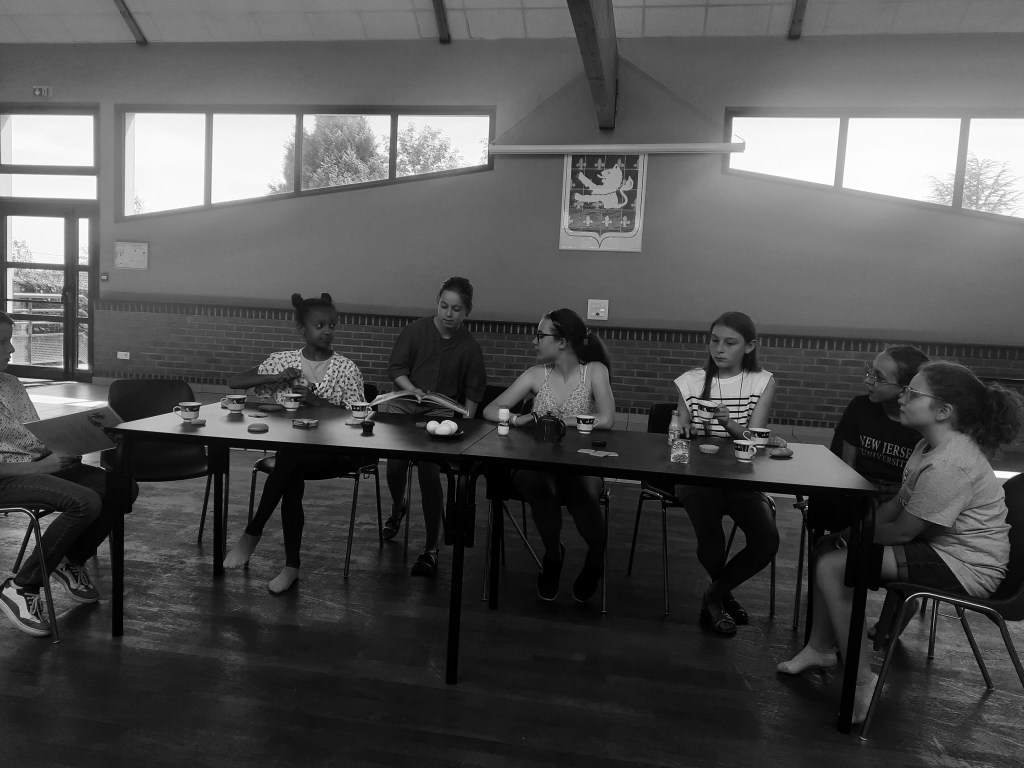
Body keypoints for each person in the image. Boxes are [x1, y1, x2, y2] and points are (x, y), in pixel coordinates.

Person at [777, 361, 1023, 723]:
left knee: (833, 564)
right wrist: (848, 536)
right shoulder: (928, 445)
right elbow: (897, 504)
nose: (902, 398)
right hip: (941, 549)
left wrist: (854, 540)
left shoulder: (950, 463)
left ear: (943, 411)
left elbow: (904, 531)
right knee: (829, 548)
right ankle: (820, 648)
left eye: (912, 393)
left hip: (966, 567)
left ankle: (862, 682)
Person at [223, 293, 366, 594]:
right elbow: (234, 382)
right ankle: (290, 566)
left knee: (289, 461)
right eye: (319, 325)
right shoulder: (283, 361)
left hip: (336, 454)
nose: (327, 331)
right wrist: (277, 376)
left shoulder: (347, 368)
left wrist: (313, 400)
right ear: (302, 329)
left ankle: (254, 533)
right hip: (295, 454)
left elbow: (356, 418)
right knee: (292, 463)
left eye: (332, 325)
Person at [0, 311, 129, 636]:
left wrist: (73, 441)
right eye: (2, 342)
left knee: (122, 487)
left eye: (10, 340)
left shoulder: (11, 383)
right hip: (9, 477)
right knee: (84, 501)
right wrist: (39, 467)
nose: (11, 349)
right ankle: (22, 586)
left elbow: (31, 436)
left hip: (37, 463)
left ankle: (69, 560)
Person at [483, 308, 615, 602]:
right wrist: (517, 419)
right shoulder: (535, 375)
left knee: (583, 491)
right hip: (538, 461)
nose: (535, 342)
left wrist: (558, 421)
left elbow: (606, 419)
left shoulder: (594, 371)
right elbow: (490, 409)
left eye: (540, 335)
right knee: (540, 486)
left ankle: (596, 559)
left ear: (563, 342)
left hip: (580, 461)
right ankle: (553, 556)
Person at [673, 311, 779, 635]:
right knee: (712, 540)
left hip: (741, 473)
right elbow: (678, 431)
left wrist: (728, 422)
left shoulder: (762, 381)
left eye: (730, 343)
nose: (719, 349)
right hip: (696, 473)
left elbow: (756, 441)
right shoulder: (691, 381)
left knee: (766, 539)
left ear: (750, 346)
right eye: (714, 340)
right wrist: (683, 429)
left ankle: (713, 595)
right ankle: (720, 599)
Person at [379, 276, 486, 578]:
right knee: (396, 464)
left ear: (467, 312)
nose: (448, 314)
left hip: (440, 411)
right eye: (443, 306)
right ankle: (398, 506)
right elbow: (396, 368)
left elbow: (474, 391)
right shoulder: (416, 330)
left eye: (456, 309)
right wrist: (411, 389)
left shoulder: (469, 346)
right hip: (407, 402)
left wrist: (465, 423)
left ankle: (430, 549)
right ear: (437, 303)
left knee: (429, 472)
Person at [806, 345, 930, 535]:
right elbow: (846, 466)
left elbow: (916, 487)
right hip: (860, 487)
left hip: (901, 495)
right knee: (824, 501)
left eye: (879, 377)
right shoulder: (860, 408)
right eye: (870, 372)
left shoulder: (919, 422)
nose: (868, 380)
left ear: (905, 389)